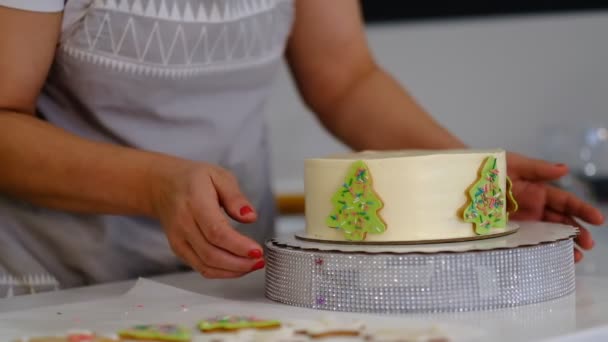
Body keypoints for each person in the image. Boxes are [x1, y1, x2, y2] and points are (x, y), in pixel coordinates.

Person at [0, 1, 603, 296]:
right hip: (58, 283)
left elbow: (344, 78)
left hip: (233, 284)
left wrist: (469, 180)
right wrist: (154, 185)